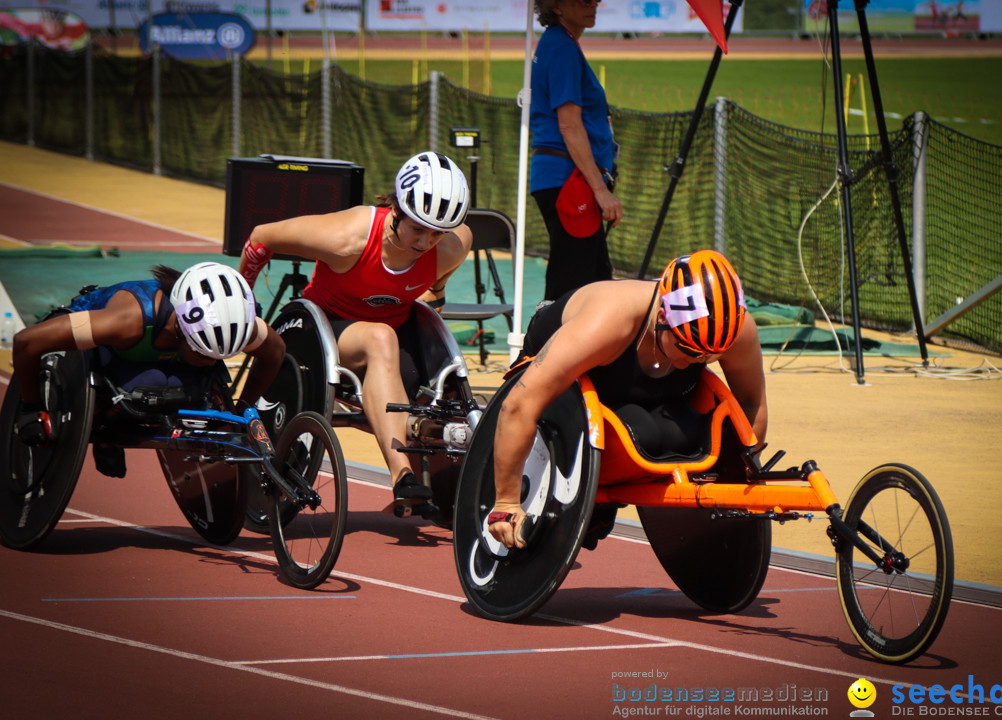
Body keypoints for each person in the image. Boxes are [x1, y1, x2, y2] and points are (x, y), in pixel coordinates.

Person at [486, 250, 767, 550]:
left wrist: (744, 472)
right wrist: (505, 502)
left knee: (682, 435)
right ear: (662, 317)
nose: (699, 360)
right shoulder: (608, 322)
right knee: (640, 432)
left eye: (711, 355)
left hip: (636, 393)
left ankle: (609, 490)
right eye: (689, 350)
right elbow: (520, 404)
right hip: (576, 367)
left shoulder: (734, 329)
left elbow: (751, 404)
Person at [236, 150, 474, 505]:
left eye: (437, 234)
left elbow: (439, 275)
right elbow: (260, 238)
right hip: (324, 332)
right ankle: (402, 475)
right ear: (397, 209)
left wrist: (435, 291)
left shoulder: (453, 247)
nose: (425, 243)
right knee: (381, 338)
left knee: (397, 349)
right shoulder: (348, 238)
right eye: (418, 229)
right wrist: (244, 307)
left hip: (396, 338)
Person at [12, 262, 285, 476]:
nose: (213, 362)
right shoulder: (126, 321)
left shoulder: (236, 323)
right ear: (181, 329)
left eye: (220, 355)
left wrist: (242, 407)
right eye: (204, 352)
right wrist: (30, 407)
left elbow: (275, 353)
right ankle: (108, 427)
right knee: (147, 387)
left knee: (206, 396)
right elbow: (26, 342)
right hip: (110, 352)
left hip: (167, 356)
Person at [530, 0, 623, 302]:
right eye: (582, 0)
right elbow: (569, 125)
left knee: (594, 279)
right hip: (568, 180)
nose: (593, 4)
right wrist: (600, 189)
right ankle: (543, 347)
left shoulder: (561, 44)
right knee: (574, 288)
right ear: (556, 6)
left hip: (565, 178)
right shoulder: (561, 48)